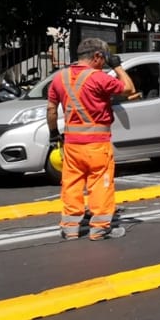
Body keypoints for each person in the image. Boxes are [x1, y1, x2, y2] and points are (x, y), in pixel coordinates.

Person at [47, 38, 135, 241]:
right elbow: (129, 88)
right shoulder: (99, 78)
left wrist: (53, 135)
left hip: (71, 144)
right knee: (100, 184)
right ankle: (100, 228)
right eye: (104, 59)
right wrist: (118, 66)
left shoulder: (59, 78)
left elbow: (51, 110)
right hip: (97, 144)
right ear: (97, 56)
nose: (104, 63)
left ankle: (70, 228)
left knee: (71, 184)